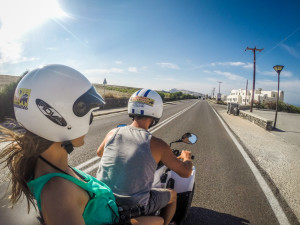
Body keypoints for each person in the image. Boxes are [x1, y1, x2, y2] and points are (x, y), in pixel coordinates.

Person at [0, 65, 163, 225]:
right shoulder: (59, 193)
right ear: (57, 116)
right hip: (117, 218)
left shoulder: (48, 164)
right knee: (160, 220)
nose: (91, 119)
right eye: (88, 112)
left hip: (114, 212)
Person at [96, 89, 193, 225]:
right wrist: (186, 157)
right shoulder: (157, 145)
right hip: (134, 208)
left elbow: (100, 153)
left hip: (104, 200)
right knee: (173, 195)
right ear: (156, 112)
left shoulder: (113, 132)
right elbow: (186, 172)